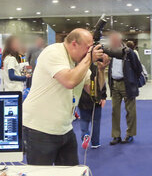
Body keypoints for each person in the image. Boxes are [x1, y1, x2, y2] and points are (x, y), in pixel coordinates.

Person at [22, 28, 104, 165]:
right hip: (39, 128)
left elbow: (96, 93)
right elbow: (69, 81)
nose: (90, 52)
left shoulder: (80, 63)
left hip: (65, 128)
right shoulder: (53, 52)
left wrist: (101, 70)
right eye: (88, 48)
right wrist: (89, 59)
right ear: (74, 44)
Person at [107, 31, 142, 145]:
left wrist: (132, 80)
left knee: (130, 111)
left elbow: (138, 68)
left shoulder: (129, 52)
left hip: (127, 84)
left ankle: (130, 134)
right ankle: (116, 136)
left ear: (119, 40)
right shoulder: (110, 52)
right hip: (115, 84)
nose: (111, 42)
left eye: (113, 40)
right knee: (114, 111)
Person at [78, 58, 108, 149]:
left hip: (83, 99)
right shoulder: (97, 68)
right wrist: (103, 96)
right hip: (96, 99)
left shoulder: (79, 68)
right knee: (96, 121)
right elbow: (101, 84)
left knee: (84, 120)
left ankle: (85, 134)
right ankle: (95, 142)